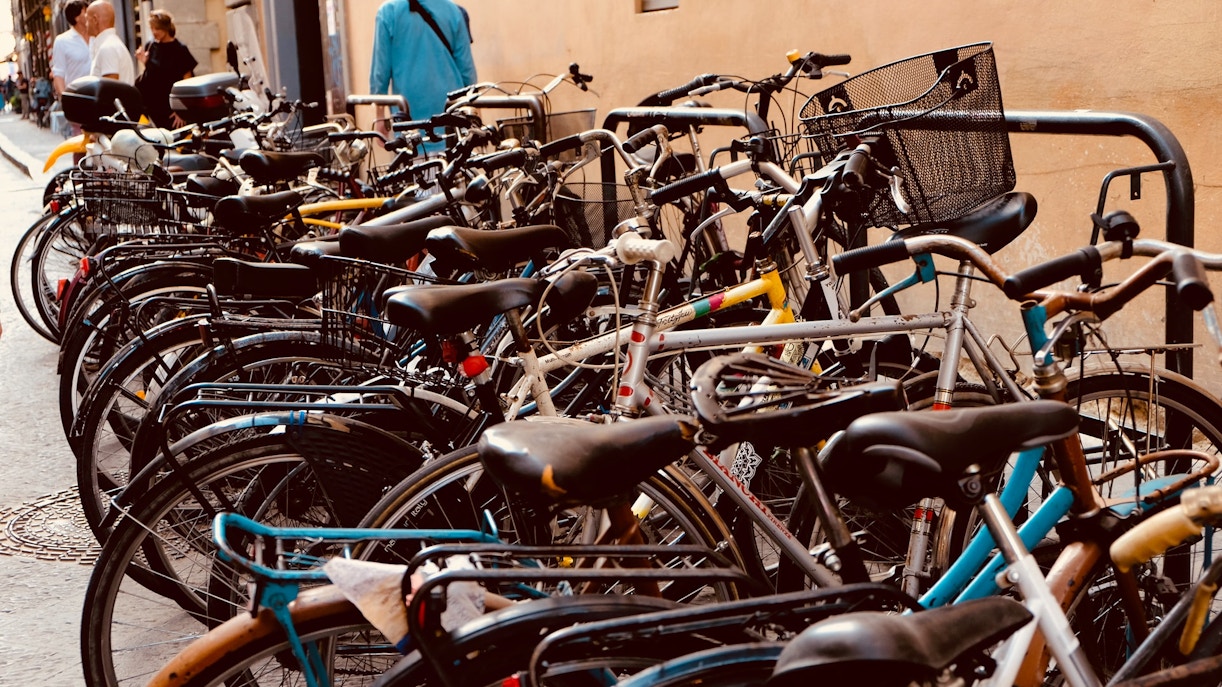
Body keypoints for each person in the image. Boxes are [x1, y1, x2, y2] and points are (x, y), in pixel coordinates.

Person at [369, 0, 477, 129]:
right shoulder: (453, 11)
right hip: (452, 114)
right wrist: (474, 112)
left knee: (412, 147)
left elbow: (380, 74)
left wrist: (379, 118)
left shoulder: (388, 12)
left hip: (410, 118)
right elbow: (467, 71)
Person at [134, 9, 196, 128]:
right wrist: (145, 62)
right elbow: (153, 74)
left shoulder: (179, 50)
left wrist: (182, 111)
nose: (154, 32)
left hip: (170, 109)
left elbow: (187, 82)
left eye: (157, 28)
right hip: (151, 106)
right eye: (151, 28)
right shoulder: (151, 46)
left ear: (165, 28)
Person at [86, 0, 135, 84]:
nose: (86, 24)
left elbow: (109, 91)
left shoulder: (107, 48)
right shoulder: (111, 44)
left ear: (95, 20)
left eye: (87, 19)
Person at [51, 0, 92, 100]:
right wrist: (65, 98)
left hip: (99, 95)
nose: (90, 15)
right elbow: (58, 73)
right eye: (86, 12)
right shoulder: (62, 41)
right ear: (76, 17)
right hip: (78, 97)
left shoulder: (96, 36)